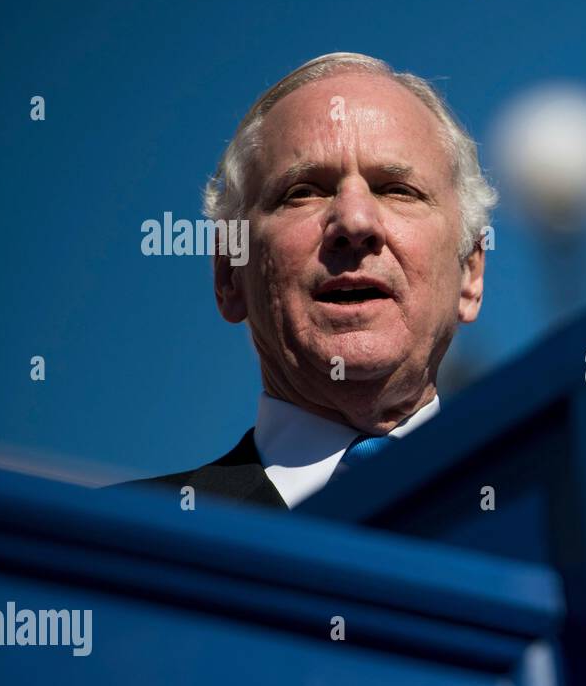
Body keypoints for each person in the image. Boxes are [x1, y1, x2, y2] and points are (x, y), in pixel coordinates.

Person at [117, 53, 496, 508]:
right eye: (303, 192)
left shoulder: (569, 523)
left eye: (397, 190)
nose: (354, 222)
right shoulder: (112, 542)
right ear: (229, 274)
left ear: (470, 272)